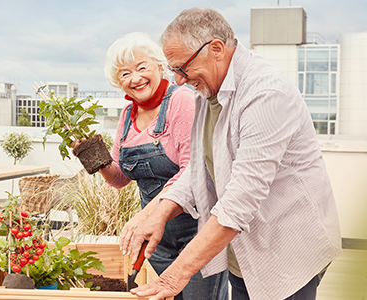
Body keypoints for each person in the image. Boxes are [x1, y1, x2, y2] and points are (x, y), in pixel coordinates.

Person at [126, 8, 342, 300]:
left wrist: (174, 277)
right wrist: (161, 213)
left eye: (182, 68)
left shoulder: (265, 93)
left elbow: (240, 200)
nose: (177, 80)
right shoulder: (208, 90)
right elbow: (201, 166)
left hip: (286, 253)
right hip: (244, 256)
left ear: (216, 48)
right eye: (173, 69)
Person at [75, 32, 228, 300]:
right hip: (158, 242)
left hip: (197, 233)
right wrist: (96, 160)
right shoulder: (126, 115)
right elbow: (120, 177)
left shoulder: (182, 100)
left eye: (142, 67)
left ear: (159, 66)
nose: (135, 78)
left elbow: (192, 171)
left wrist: (143, 216)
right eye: (124, 73)